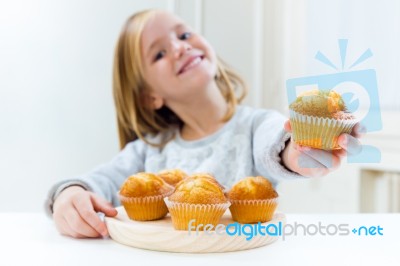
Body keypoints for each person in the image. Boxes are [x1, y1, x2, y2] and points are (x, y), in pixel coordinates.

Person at [45, 9, 362, 238]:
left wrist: (300, 150)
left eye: (183, 35)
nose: (180, 47)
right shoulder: (146, 152)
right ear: (149, 97)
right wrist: (69, 195)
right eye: (159, 53)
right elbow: (98, 181)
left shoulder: (255, 125)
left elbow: (277, 143)